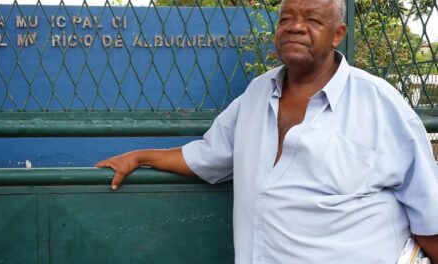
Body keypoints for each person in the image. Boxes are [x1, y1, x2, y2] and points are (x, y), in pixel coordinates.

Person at [95, 0, 438, 262]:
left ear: (338, 35)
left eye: (312, 20)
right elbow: (210, 154)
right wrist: (140, 156)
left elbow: (430, 215)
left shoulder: (380, 104)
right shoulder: (257, 93)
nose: (295, 27)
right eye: (286, 18)